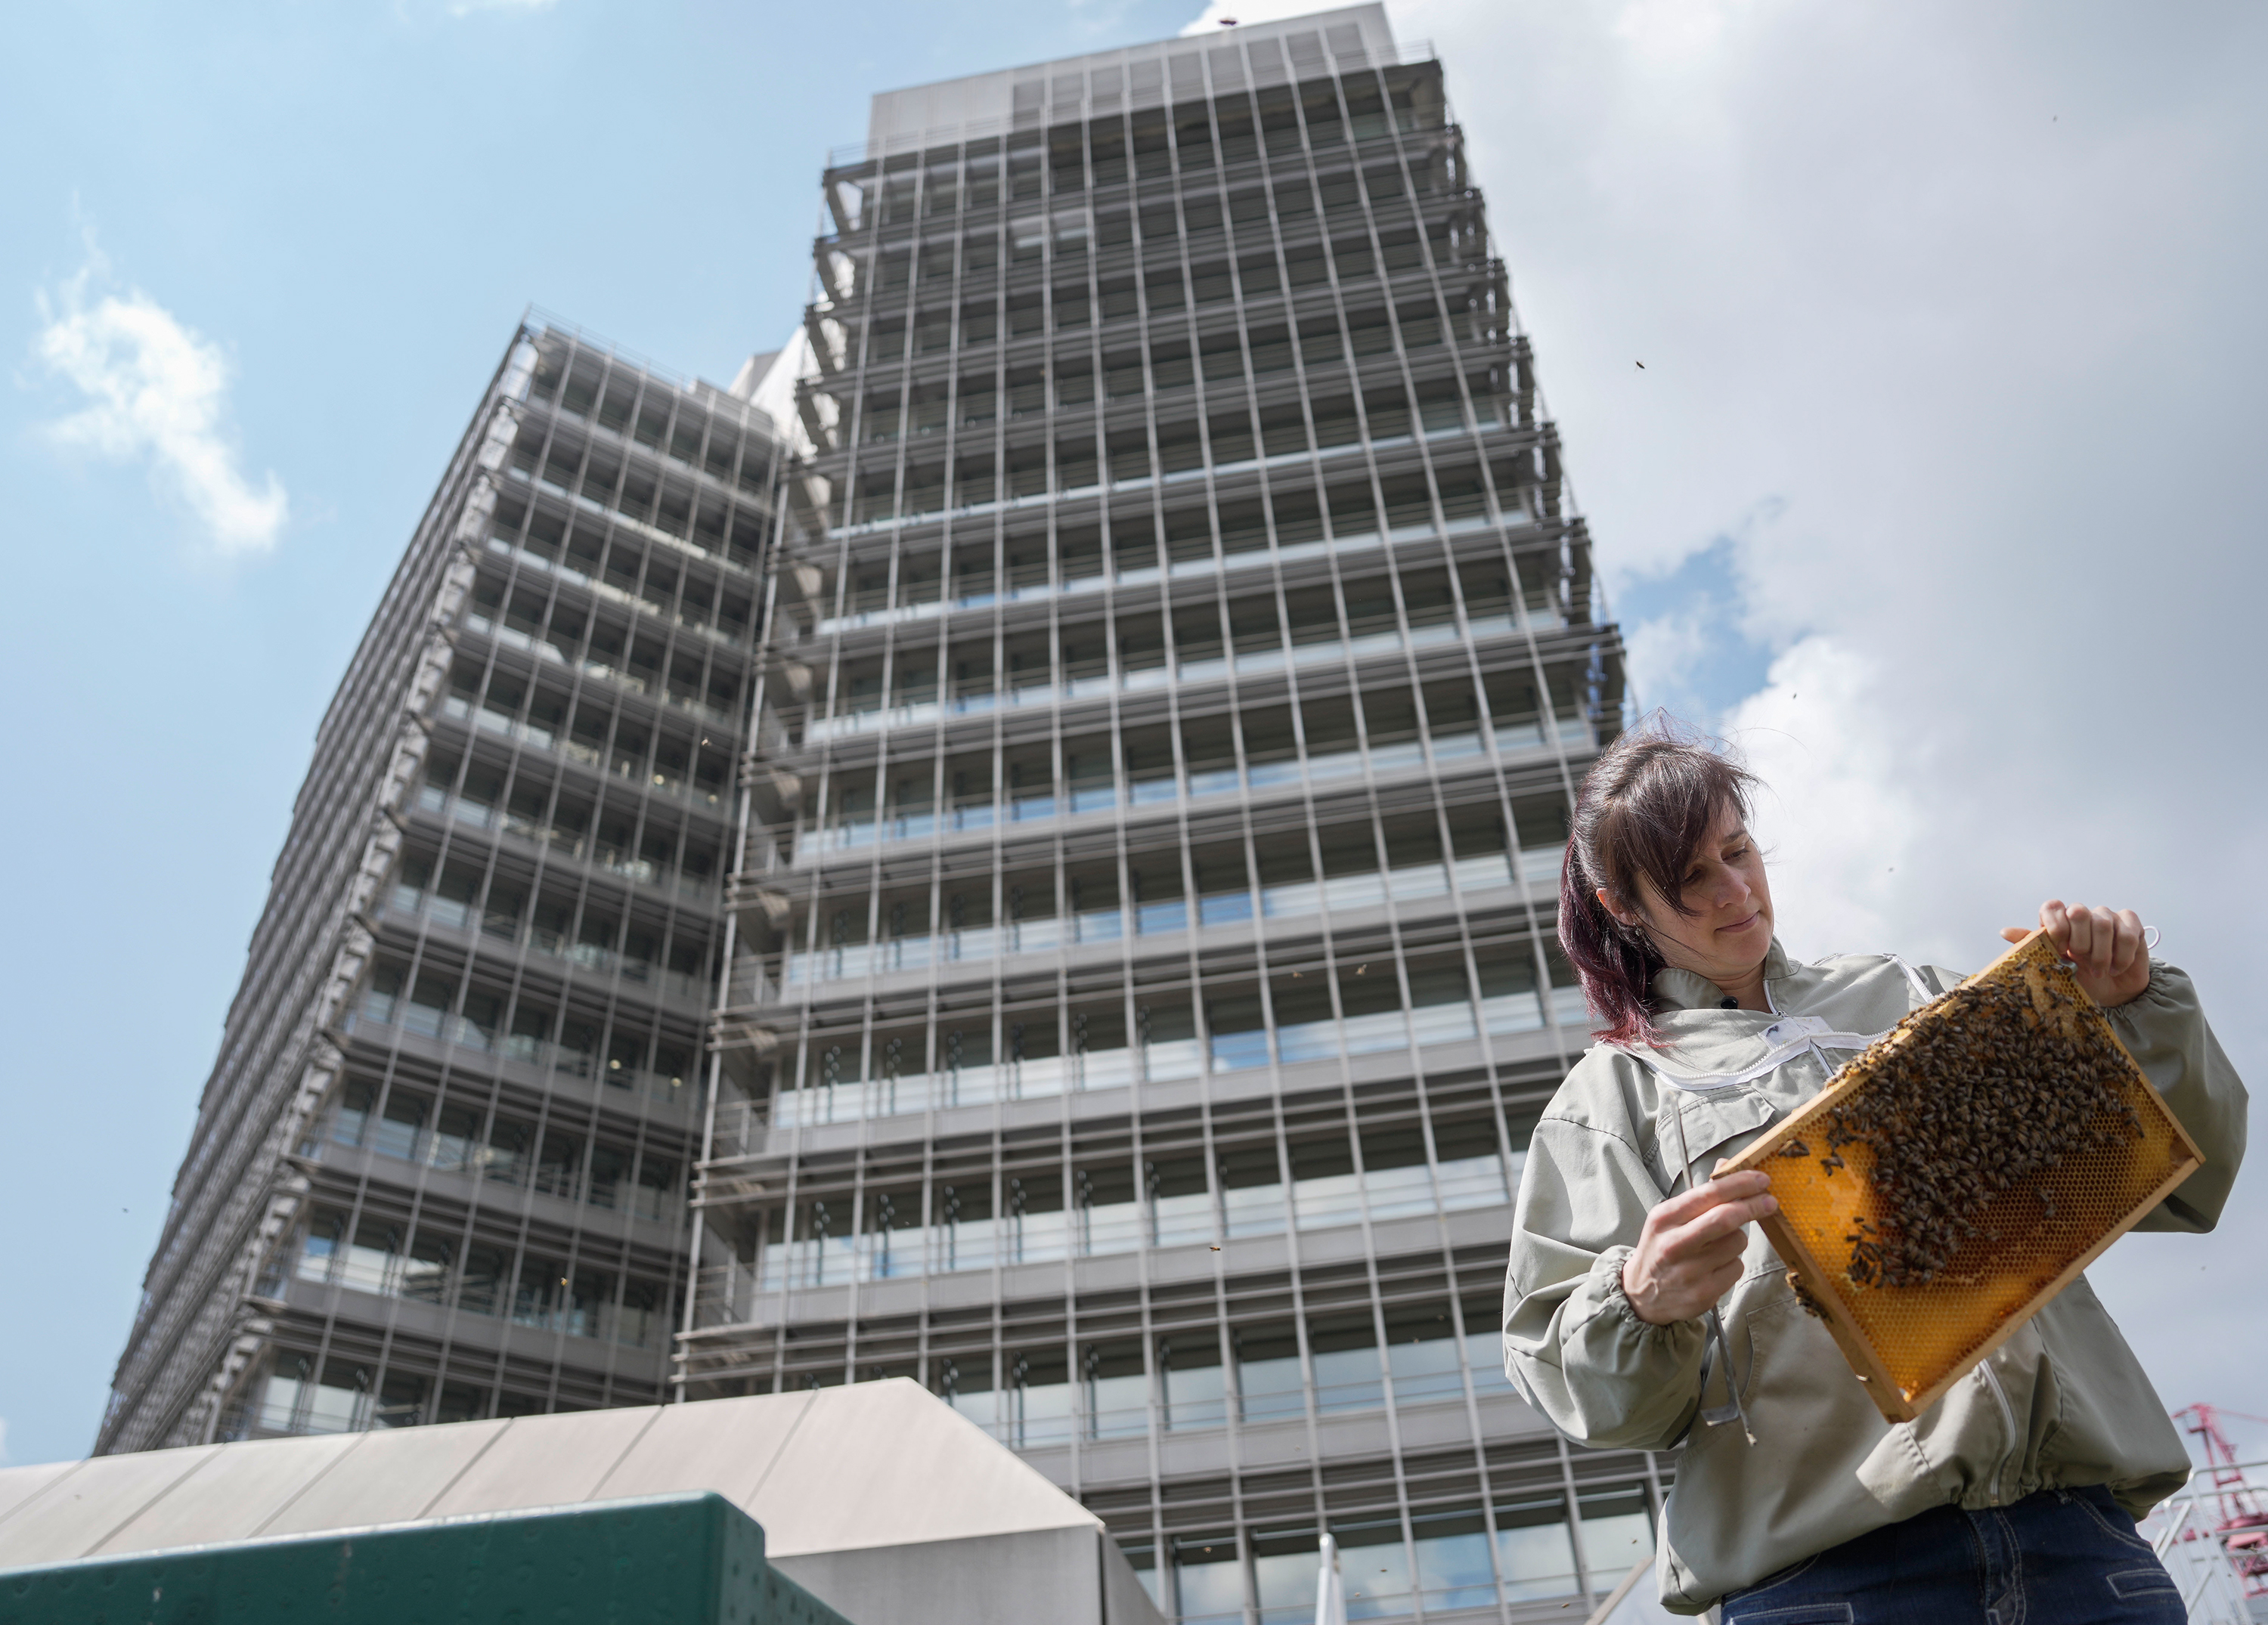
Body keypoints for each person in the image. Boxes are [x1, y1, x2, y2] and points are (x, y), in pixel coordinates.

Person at [1500, 722, 2247, 1622]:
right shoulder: (1607, 1099)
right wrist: (1637, 1298)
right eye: (1692, 877)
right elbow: (1585, 1390)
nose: (1736, 889)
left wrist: (2132, 1008)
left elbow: (2176, 1179)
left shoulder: (1911, 987)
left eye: (1738, 850)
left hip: (2081, 1548)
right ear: (1622, 904)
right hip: (1828, 1585)